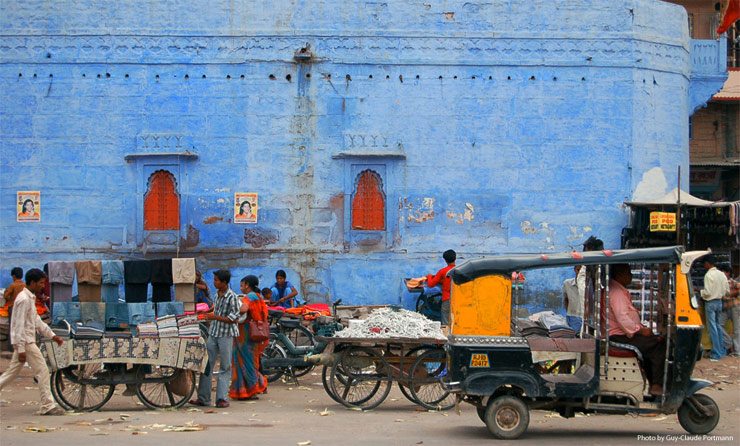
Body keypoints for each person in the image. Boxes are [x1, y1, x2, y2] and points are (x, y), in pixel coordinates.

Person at [0, 268, 65, 415]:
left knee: (11, 373)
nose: (43, 286)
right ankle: (47, 406)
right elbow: (17, 325)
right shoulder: (23, 299)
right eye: (41, 283)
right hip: (26, 342)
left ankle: (47, 405)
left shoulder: (29, 298)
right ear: (33, 282)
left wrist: (52, 335)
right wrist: (21, 348)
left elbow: (35, 320)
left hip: (26, 341)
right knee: (43, 371)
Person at [607, 263, 666, 396]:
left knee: (655, 340)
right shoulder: (616, 293)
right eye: (629, 273)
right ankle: (656, 384)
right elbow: (622, 318)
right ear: (620, 274)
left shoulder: (618, 290)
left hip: (624, 333)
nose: (631, 276)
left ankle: (654, 383)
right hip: (619, 335)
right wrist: (639, 330)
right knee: (658, 345)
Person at [190, 269, 241, 408]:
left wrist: (214, 317)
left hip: (226, 335)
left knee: (225, 367)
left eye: (217, 280)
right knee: (207, 365)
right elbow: (215, 309)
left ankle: (221, 398)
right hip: (214, 333)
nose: (214, 282)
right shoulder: (217, 295)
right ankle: (203, 398)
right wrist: (205, 313)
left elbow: (234, 319)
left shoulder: (232, 297)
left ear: (224, 282)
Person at [230, 275, 268, 400]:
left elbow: (244, 308)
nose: (241, 288)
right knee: (249, 362)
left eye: (242, 285)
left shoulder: (250, 296)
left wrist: (232, 307)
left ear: (247, 285)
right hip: (251, 333)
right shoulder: (257, 296)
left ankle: (251, 389)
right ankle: (250, 388)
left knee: (245, 362)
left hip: (245, 334)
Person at [700, 255, 730, 361]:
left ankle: (716, 353)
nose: (704, 266)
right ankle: (721, 351)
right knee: (718, 327)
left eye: (704, 264)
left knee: (712, 328)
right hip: (719, 302)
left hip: (711, 303)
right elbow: (727, 291)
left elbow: (707, 292)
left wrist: (700, 292)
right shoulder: (721, 274)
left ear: (708, 263)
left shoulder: (708, 275)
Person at [425, 249, 456, 326]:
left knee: (445, 322)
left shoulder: (443, 271)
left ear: (445, 260)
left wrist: (429, 277)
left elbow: (430, 284)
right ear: (455, 258)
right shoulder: (459, 270)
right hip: (458, 299)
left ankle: (446, 336)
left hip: (447, 299)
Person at [719, 265, 739, 357]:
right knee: (718, 324)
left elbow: (738, 291)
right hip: (726, 307)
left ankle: (737, 351)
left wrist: (730, 294)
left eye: (723, 271)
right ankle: (728, 342)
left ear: (728, 273)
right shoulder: (720, 282)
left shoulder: (733, 282)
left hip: (734, 306)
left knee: (736, 329)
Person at [562, 266, 583, 334]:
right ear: (575, 270)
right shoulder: (567, 283)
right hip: (572, 316)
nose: (580, 273)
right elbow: (566, 300)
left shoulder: (590, 285)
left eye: (583, 271)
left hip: (586, 319)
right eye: (578, 270)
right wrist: (570, 313)